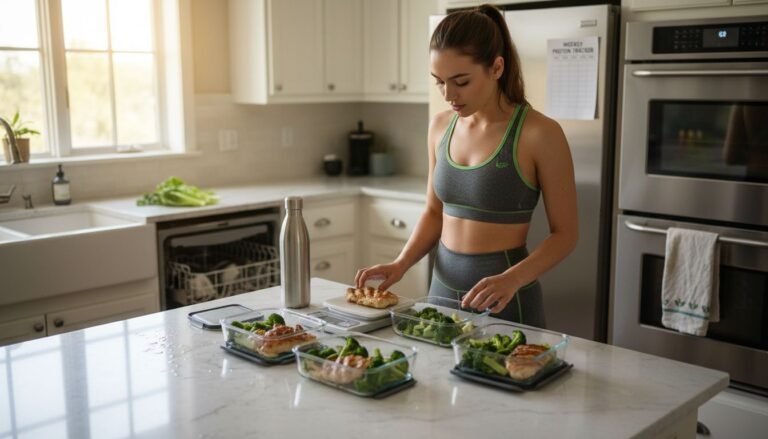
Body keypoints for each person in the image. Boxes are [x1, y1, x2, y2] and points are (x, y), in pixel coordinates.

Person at [354, 4, 578, 327]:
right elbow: (434, 212)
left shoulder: (539, 134)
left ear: (496, 68)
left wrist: (511, 280)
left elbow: (566, 235)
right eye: (439, 82)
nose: (448, 94)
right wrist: (401, 263)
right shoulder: (439, 127)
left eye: (461, 81)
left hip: (505, 302)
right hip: (440, 295)